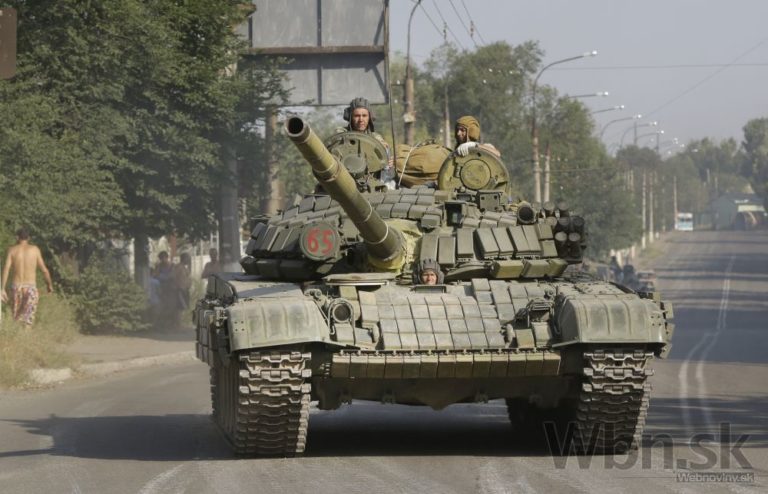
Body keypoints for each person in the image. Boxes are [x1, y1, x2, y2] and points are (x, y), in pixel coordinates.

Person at [1, 228, 53, 326]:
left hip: (16, 287)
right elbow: (45, 270)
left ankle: (17, 335)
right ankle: (26, 333)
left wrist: (2, 288)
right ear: (28, 238)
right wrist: (49, 285)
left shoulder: (12, 250)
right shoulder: (35, 250)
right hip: (31, 288)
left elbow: (6, 269)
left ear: (17, 237)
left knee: (16, 318)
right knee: (28, 320)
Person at [341, 97, 396, 185]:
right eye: (357, 116)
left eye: (364, 116)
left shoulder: (376, 138)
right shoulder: (341, 134)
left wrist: (389, 161)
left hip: (371, 182)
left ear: (369, 117)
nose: (361, 120)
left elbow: (386, 164)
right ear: (350, 117)